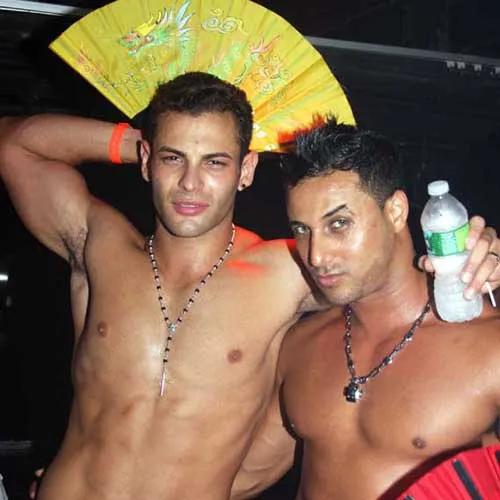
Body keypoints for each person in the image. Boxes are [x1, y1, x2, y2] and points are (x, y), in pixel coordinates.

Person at [0, 72, 498, 500]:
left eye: (215, 161)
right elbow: (14, 145)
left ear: (246, 169)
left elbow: (380, 266)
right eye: (173, 159)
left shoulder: (288, 271)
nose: (191, 182)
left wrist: (474, 255)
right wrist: (145, 144)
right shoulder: (100, 245)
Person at [235, 117, 500, 499]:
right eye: (302, 230)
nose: (316, 255)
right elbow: (246, 476)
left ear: (395, 211)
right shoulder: (301, 345)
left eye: (338, 224)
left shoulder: (488, 345)